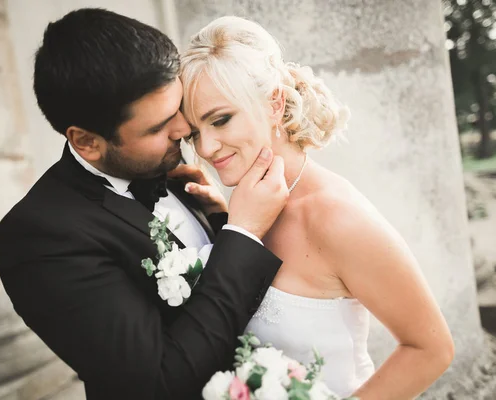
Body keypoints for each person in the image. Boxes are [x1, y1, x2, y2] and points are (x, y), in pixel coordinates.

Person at [0, 9, 290, 400]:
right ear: (86, 142)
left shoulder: (167, 166)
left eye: (177, 109)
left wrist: (220, 222)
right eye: (157, 127)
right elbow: (156, 384)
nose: (186, 133)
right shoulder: (38, 238)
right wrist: (244, 234)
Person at [180, 16, 455, 399]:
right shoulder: (245, 205)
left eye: (221, 120)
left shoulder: (336, 218)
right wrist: (224, 224)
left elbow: (431, 349)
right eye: (193, 131)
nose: (206, 147)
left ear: (274, 104)